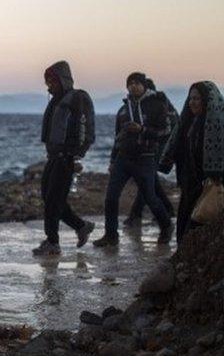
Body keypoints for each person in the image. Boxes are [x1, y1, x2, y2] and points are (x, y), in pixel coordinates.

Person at [93, 72, 173, 247]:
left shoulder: (157, 105)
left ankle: (167, 226)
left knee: (150, 197)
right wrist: (113, 160)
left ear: (144, 85)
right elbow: (118, 137)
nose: (133, 86)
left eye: (137, 83)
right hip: (123, 159)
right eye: (130, 83)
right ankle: (111, 235)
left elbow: (166, 130)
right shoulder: (123, 110)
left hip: (145, 158)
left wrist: (142, 129)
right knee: (111, 197)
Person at [33, 61, 96, 256]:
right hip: (53, 157)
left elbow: (86, 128)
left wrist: (77, 154)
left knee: (54, 200)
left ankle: (53, 242)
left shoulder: (77, 98)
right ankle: (81, 226)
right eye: (47, 81)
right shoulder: (56, 100)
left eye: (52, 80)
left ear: (62, 80)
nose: (48, 85)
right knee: (50, 197)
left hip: (66, 157)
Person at [161, 81, 224, 242]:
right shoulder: (188, 123)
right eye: (190, 99)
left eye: (197, 99)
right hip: (189, 186)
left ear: (206, 101)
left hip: (208, 186)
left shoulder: (218, 125)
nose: (192, 103)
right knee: (183, 227)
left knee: (198, 226)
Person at [124, 77, 176, 227]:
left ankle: (137, 214)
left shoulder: (158, 102)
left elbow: (167, 128)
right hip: (158, 143)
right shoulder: (159, 101)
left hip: (161, 143)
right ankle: (166, 209)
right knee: (150, 179)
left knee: (147, 179)